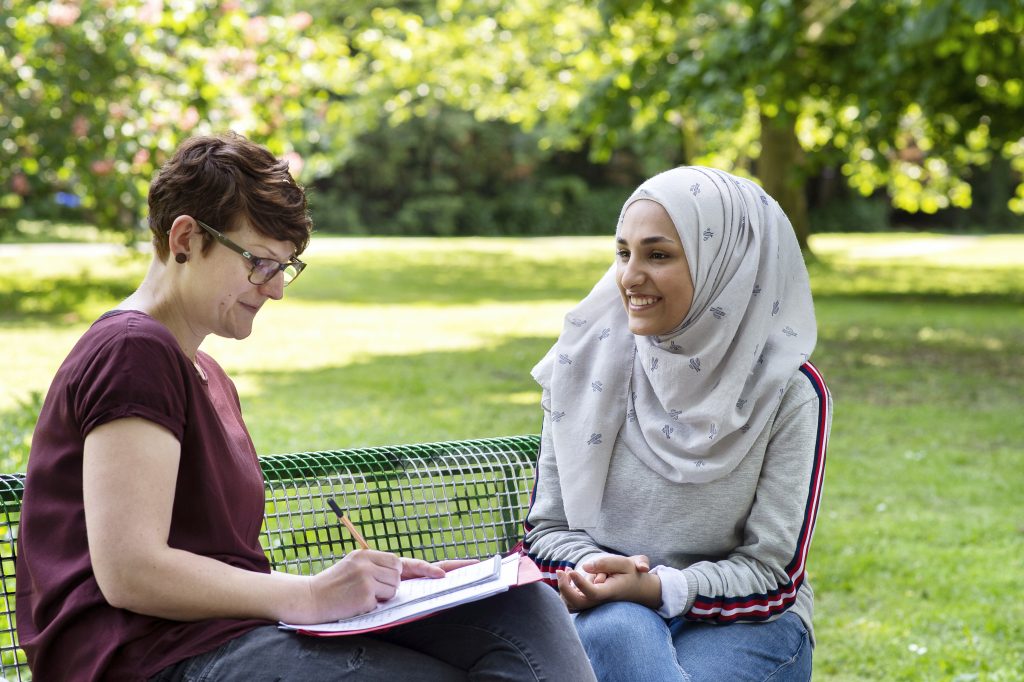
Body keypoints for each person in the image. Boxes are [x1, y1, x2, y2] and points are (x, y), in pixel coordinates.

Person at [16, 132, 596, 682]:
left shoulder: (203, 371)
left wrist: (371, 586)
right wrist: (312, 594)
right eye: (260, 262)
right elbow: (131, 571)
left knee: (526, 610)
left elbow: (217, 564)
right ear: (186, 239)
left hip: (225, 638)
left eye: (284, 267)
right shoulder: (132, 352)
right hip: (148, 659)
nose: (275, 289)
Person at [523, 166, 832, 682]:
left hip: (742, 622)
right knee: (620, 630)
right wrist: (599, 576)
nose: (630, 277)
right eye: (624, 253)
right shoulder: (585, 364)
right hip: (609, 611)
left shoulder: (789, 392)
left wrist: (657, 587)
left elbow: (773, 573)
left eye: (658, 255)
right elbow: (547, 532)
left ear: (727, 265)